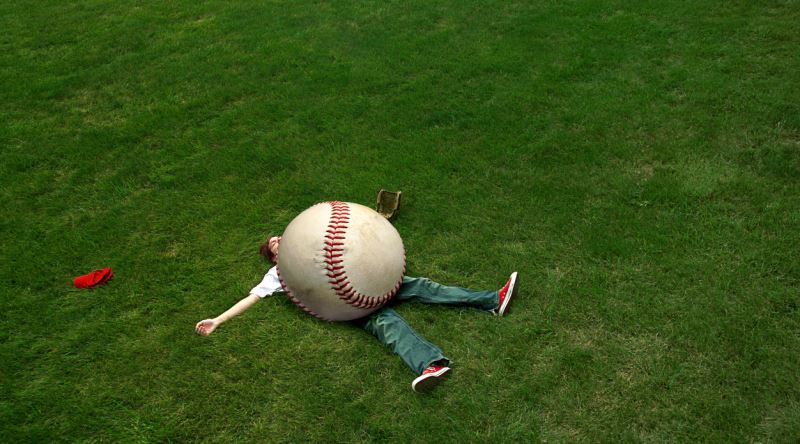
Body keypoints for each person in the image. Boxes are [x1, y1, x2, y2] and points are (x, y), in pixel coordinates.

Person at [196, 235, 518, 392]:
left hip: (371, 282)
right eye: (274, 245)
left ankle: (493, 300)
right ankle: (431, 365)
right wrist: (218, 320)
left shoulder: (312, 243)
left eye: (280, 237)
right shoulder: (278, 276)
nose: (279, 241)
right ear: (273, 258)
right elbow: (250, 299)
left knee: (425, 287)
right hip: (349, 306)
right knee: (390, 327)